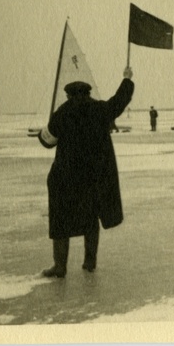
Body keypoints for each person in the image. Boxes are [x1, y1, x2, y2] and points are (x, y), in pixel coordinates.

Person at [37, 67, 134, 278]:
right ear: (88, 93)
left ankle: (59, 266)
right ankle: (90, 262)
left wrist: (41, 133)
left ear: (68, 94)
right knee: (91, 220)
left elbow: (47, 141)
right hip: (93, 177)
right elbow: (119, 101)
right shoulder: (99, 109)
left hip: (65, 177)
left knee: (61, 221)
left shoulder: (62, 112)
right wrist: (126, 79)